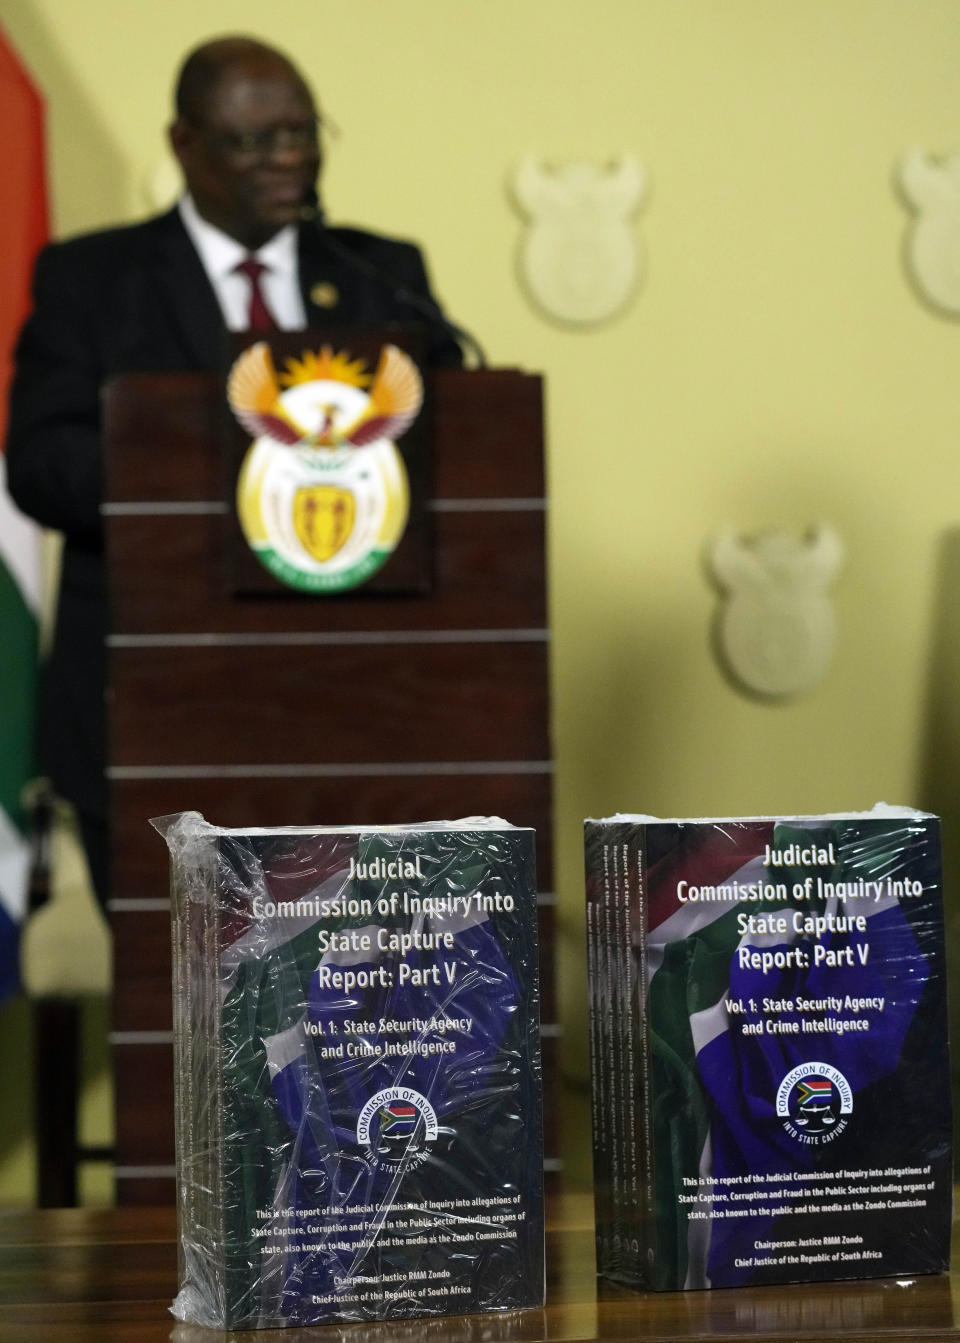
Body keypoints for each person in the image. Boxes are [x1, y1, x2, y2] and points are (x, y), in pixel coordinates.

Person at [5, 36, 464, 911]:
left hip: (354, 712)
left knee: (347, 1017)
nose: (287, 157)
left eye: (302, 133)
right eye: (254, 141)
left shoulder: (380, 276)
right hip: (150, 711)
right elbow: (42, 466)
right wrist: (234, 464)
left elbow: (461, 450)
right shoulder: (93, 281)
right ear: (185, 145)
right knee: (180, 1024)